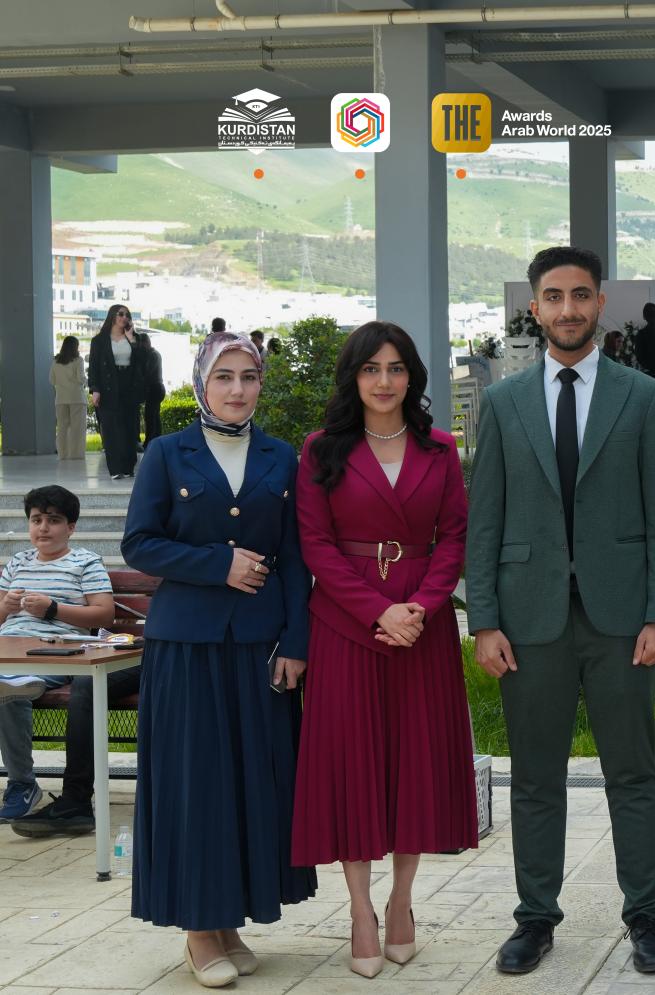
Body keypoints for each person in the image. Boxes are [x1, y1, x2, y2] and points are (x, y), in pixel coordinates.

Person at [466, 246, 655, 976]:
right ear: (536, 307)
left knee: (633, 773)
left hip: (622, 619)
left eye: (580, 295)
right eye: (554, 296)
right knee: (535, 778)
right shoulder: (503, 403)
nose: (568, 308)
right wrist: (484, 621)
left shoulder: (640, 396)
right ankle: (535, 918)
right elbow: (485, 521)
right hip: (529, 621)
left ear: (599, 303)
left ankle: (647, 917)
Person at [122, 330, 312, 988]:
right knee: (196, 782)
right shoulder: (165, 453)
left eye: (248, 376)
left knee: (250, 783)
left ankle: (229, 919)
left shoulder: (281, 456)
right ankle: (199, 929)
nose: (237, 389)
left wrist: (297, 641)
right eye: (224, 376)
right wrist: (217, 564)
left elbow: (295, 557)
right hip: (187, 647)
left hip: (260, 646)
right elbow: (140, 543)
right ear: (201, 382)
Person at [291, 321, 476, 979]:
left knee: (413, 763)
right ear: (354, 376)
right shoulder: (321, 449)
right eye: (371, 368)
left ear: (412, 377)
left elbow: (454, 537)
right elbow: (315, 545)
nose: (384, 380)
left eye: (396, 368)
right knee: (354, 765)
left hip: (422, 627)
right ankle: (360, 909)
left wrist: (420, 607)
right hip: (348, 626)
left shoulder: (439, 448)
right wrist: (378, 611)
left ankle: (401, 899)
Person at [0, 486, 115, 823]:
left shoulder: (85, 562)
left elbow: (105, 615)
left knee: (8, 691)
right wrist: (5, 607)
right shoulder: (18, 562)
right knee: (8, 684)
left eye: (53, 520)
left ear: (71, 527)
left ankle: (22, 784)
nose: (43, 528)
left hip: (54, 651)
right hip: (7, 649)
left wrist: (53, 609)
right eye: (36, 520)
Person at [88, 304, 145, 479]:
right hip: (108, 386)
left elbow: (143, 361)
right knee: (111, 428)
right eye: (121, 314)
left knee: (129, 427)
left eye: (127, 315)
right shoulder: (99, 341)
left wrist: (132, 339)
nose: (124, 317)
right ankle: (115, 468)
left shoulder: (134, 338)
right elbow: (94, 367)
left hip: (129, 385)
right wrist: (95, 389)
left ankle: (128, 467)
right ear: (113, 316)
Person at [51, 336, 87, 462]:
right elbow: (80, 378)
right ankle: (76, 454)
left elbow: (51, 380)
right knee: (78, 428)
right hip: (77, 398)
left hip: (60, 398)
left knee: (62, 427)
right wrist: (87, 381)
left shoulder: (56, 361)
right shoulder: (78, 360)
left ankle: (63, 454)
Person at [138, 331, 166, 442]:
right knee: (154, 416)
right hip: (157, 388)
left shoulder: (153, 355)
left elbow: (147, 373)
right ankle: (156, 439)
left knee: (150, 416)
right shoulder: (154, 354)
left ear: (145, 343)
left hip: (155, 389)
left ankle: (149, 441)